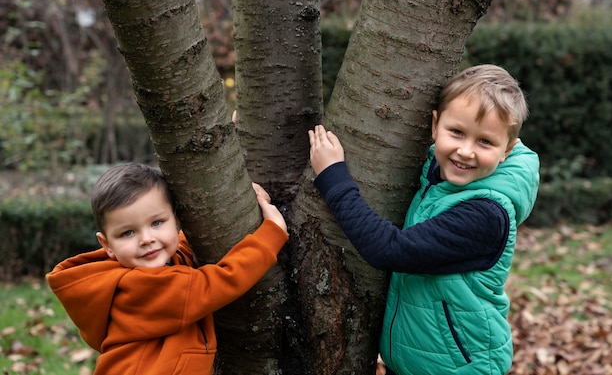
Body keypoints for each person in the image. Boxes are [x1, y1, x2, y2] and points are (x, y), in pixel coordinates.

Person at [308, 64, 540, 375]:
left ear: (506, 151)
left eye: (485, 141)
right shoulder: (442, 175)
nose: (465, 151)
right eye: (456, 132)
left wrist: (333, 179)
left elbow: (389, 250)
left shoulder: (484, 215)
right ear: (435, 126)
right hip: (418, 361)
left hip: (458, 368)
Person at [46, 163, 288, 374]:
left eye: (157, 223)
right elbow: (221, 281)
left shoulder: (160, 262)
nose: (147, 239)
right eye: (128, 232)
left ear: (176, 220)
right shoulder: (140, 288)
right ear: (107, 245)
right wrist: (271, 235)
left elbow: (181, 245)